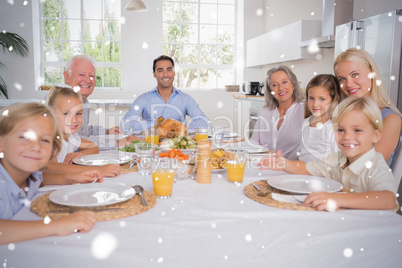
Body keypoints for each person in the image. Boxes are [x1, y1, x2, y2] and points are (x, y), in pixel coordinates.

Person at [259, 97, 398, 211]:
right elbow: (306, 169)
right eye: (341, 130)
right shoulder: (337, 159)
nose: (347, 137)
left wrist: (337, 199)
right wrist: (284, 164)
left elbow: (388, 199)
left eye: (357, 130)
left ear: (376, 135)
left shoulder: (375, 165)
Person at [0, 103, 97, 244]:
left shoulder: (31, 175)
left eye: (45, 140)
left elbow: (41, 178)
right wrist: (57, 225)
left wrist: (70, 178)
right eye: (24, 137)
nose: (36, 146)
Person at [334, 48, 402, 166]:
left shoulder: (390, 119)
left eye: (355, 74)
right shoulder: (342, 114)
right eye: (342, 79)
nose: (349, 84)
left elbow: (367, 165)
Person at [44, 86, 121, 184]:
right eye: (66, 114)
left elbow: (94, 147)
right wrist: (98, 170)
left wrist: (80, 154)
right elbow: (52, 167)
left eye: (78, 113)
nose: (74, 120)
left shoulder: (72, 137)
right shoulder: (49, 138)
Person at [63, 55, 139, 148]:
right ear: (67, 77)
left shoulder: (83, 100)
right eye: (81, 75)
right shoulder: (62, 101)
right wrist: (116, 142)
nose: (87, 80)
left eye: (91, 76)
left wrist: (106, 132)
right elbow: (74, 141)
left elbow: (84, 131)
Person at [120, 55, 209, 132]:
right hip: (151, 146)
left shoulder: (185, 99)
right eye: (160, 71)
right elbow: (126, 124)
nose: (165, 75)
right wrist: (158, 127)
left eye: (169, 70)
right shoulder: (143, 99)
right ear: (154, 74)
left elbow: (204, 123)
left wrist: (177, 127)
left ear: (174, 72)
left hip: (177, 148)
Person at [250, 65, 304, 160]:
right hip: (264, 164)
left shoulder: (304, 111)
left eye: (284, 82)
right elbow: (254, 142)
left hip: (291, 169)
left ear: (293, 85)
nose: (280, 88)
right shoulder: (265, 111)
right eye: (274, 85)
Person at [298, 74, 342, 162]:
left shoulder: (332, 129)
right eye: (311, 98)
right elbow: (301, 153)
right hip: (300, 173)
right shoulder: (304, 123)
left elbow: (339, 161)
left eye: (322, 99)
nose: (315, 104)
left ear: (333, 100)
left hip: (321, 175)